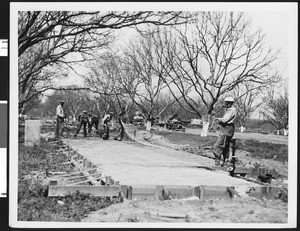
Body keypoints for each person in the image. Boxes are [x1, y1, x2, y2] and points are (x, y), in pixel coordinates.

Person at [212, 96, 237, 167]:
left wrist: (217, 119)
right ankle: (226, 161)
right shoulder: (229, 109)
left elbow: (224, 120)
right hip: (227, 128)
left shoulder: (231, 110)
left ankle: (218, 160)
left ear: (230, 103)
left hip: (227, 128)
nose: (226, 104)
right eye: (226, 102)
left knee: (217, 145)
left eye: (227, 103)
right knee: (225, 146)